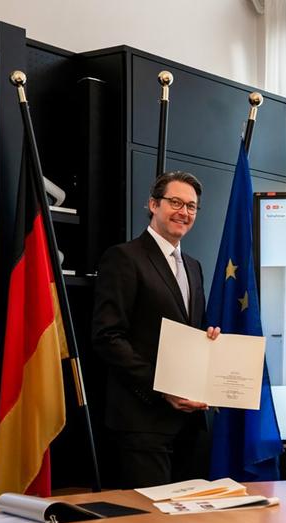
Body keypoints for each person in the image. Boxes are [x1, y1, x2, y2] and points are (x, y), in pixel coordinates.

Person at [92, 171, 221, 488]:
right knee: (151, 521)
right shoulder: (123, 258)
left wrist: (209, 341)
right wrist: (161, 386)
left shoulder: (193, 266)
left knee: (189, 518)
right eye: (175, 202)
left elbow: (190, 332)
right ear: (153, 204)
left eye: (191, 206)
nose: (184, 212)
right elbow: (107, 337)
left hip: (189, 424)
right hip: (142, 421)